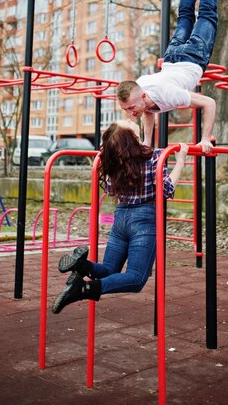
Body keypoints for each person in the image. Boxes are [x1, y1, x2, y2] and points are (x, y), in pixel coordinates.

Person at [52, 119, 188, 313]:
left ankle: (82, 265)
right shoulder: (155, 158)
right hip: (144, 220)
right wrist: (181, 160)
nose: (131, 120)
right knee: (136, 278)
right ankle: (83, 289)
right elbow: (166, 189)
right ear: (130, 141)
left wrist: (148, 128)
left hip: (121, 218)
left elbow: (118, 179)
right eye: (130, 126)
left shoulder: (111, 161)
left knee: (108, 270)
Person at [116, 0, 228, 153]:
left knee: (207, 14)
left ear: (143, 96)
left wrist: (205, 139)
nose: (130, 113)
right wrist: (147, 143)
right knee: (185, 16)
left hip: (192, 57)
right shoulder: (141, 88)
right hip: (171, 57)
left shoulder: (169, 95)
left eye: (131, 108)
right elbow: (148, 112)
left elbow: (210, 103)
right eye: (126, 109)